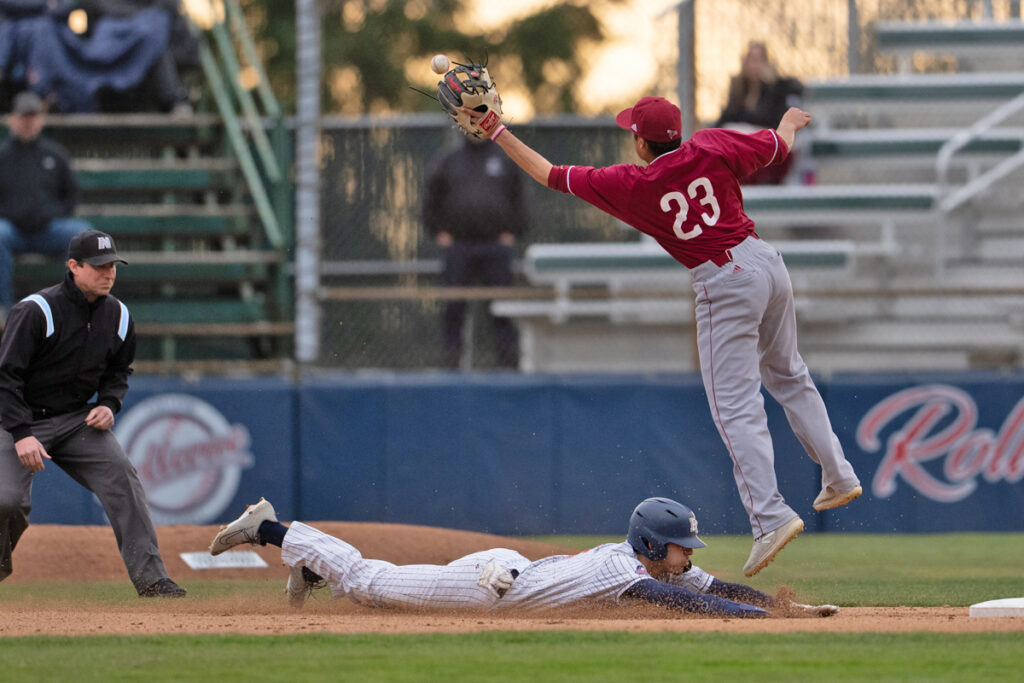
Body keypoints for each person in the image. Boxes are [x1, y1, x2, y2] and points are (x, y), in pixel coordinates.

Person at [461, 95, 861, 577]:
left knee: (735, 407)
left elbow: (548, 173)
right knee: (790, 375)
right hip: (767, 262)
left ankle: (771, 516)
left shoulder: (633, 183)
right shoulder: (710, 145)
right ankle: (838, 474)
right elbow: (778, 146)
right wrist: (789, 121)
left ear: (639, 142)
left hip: (724, 280)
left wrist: (497, 130)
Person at [210, 495, 839, 617]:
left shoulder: (649, 560)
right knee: (372, 581)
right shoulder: (635, 572)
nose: (689, 556)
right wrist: (759, 624)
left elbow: (713, 587)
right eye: (682, 546)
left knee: (374, 583)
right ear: (654, 545)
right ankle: (272, 529)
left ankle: (307, 561)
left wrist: (790, 610)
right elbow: (680, 601)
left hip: (513, 573)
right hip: (489, 587)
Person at [0, 229, 186, 597]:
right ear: (73, 266)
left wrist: (108, 403)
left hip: (75, 421)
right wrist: (22, 434)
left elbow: (119, 371)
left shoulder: (118, 315)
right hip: (16, 419)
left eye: (112, 265)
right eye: (99, 266)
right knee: (7, 501)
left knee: (124, 481)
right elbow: (6, 378)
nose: (108, 273)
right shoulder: (36, 311)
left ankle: (152, 580)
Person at [423, 135, 528, 369]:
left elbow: (520, 197)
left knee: (502, 307)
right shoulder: (448, 160)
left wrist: (513, 231)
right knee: (453, 307)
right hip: (459, 247)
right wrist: (438, 231)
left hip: (495, 246)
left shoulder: (504, 158)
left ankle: (508, 363)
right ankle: (450, 362)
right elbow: (431, 199)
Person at [0, 91, 92, 320]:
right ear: (13, 119)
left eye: (32, 116)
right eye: (23, 117)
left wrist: (52, 214)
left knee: (82, 235)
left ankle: (75, 308)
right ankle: (4, 309)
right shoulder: (2, 155)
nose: (28, 122)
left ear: (40, 120)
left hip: (48, 230)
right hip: (12, 231)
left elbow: (71, 196)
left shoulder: (55, 154)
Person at [715, 42, 804, 185]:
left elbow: (776, 121)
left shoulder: (777, 88)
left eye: (758, 60)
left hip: (766, 148)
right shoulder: (739, 90)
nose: (754, 65)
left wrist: (768, 83)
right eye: (750, 59)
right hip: (745, 150)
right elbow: (725, 119)